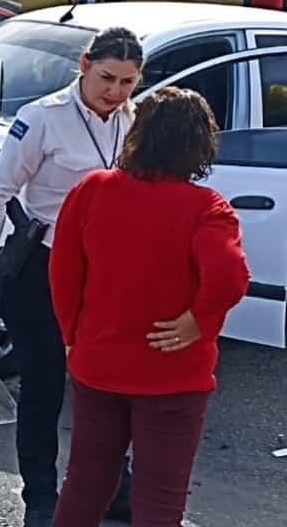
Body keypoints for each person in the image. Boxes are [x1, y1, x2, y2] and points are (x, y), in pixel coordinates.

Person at [0, 27, 145, 526]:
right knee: (45, 387)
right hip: (41, 265)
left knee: (109, 386)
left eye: (128, 82)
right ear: (85, 65)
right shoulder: (41, 119)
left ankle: (114, 485)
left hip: (104, 273)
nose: (116, 92)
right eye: (107, 77)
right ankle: (40, 496)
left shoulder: (134, 122)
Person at [50, 87, 250, 527]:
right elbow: (231, 276)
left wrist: (72, 338)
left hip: (99, 362)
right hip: (173, 372)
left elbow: (64, 274)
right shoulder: (206, 208)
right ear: (199, 143)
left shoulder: (92, 189)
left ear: (138, 133)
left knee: (85, 484)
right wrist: (199, 321)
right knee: (160, 497)